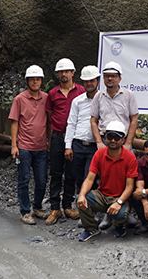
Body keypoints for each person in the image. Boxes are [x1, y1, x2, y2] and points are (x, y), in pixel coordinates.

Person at [77, 120, 139, 241]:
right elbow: (89, 179)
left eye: (117, 137)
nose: (113, 140)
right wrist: (81, 195)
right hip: (102, 194)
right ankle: (91, 229)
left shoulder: (130, 157)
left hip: (120, 197)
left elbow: (129, 186)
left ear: (123, 139)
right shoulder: (99, 154)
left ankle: (119, 226)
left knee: (120, 214)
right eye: (110, 136)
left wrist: (119, 202)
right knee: (81, 200)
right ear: (105, 137)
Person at [45, 58, 85, 225]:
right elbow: (49, 117)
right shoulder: (53, 94)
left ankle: (67, 206)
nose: (63, 74)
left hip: (75, 138)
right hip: (57, 137)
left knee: (71, 173)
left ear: (73, 73)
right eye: (61, 71)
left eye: (66, 71)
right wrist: (49, 140)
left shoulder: (82, 91)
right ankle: (55, 208)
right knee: (55, 173)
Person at [9, 64, 50, 225]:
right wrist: (14, 145)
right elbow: (14, 123)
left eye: (38, 79)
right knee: (24, 180)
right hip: (24, 147)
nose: (35, 82)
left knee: (41, 180)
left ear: (41, 81)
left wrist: (49, 142)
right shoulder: (19, 99)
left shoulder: (46, 98)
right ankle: (25, 212)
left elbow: (49, 122)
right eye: (32, 79)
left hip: (41, 147)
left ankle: (37, 207)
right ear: (27, 81)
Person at [64, 65, 100, 193]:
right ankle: (83, 206)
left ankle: (89, 208)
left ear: (98, 81)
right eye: (86, 81)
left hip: (94, 146)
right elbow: (71, 123)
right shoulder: (77, 101)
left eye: (92, 80)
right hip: (77, 144)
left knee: (89, 177)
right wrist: (68, 146)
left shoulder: (104, 100)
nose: (89, 84)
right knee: (77, 177)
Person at [90, 61, 138, 151]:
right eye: (107, 76)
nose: (110, 78)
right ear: (103, 78)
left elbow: (134, 120)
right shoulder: (98, 96)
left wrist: (128, 143)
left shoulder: (129, 95)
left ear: (119, 78)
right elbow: (93, 121)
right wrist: (99, 142)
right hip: (105, 140)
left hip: (122, 140)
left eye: (114, 76)